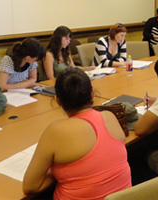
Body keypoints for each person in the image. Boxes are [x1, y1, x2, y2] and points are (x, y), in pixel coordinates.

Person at [23, 68, 131, 200]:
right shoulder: (110, 117)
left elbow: (30, 186)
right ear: (92, 94)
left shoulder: (56, 131)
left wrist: (58, 172)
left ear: (57, 100)